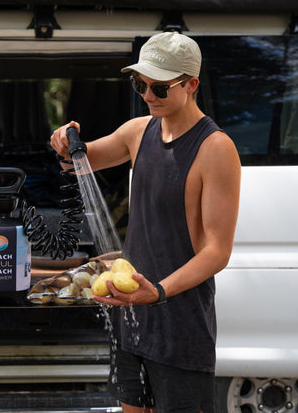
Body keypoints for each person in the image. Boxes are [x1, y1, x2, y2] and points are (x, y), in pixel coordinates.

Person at [50, 32, 241, 413]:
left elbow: (217, 252)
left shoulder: (215, 149)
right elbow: (78, 162)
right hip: (132, 316)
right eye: (140, 83)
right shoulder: (138, 132)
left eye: (159, 87)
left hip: (181, 324)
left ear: (191, 85)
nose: (148, 95)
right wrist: (64, 143)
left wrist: (157, 291)